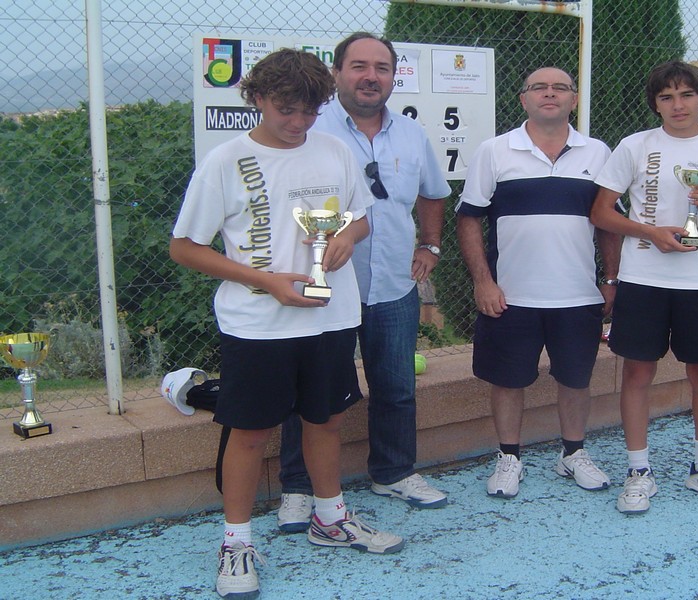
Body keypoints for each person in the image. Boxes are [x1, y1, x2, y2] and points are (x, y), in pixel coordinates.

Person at [170, 49, 404, 599]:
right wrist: (266, 280)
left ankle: (331, 518)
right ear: (257, 98)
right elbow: (184, 247)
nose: (299, 123)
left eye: (310, 111)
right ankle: (235, 542)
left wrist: (346, 236)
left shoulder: (335, 150)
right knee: (251, 433)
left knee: (326, 421)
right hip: (258, 324)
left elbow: (361, 218)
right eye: (286, 110)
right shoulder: (225, 161)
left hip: (331, 317)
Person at [276, 32, 451, 532]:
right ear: (337, 73)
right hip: (324, 291)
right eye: (358, 66)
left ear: (393, 77)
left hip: (393, 283)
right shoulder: (309, 129)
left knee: (396, 387)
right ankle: (298, 487)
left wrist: (430, 245)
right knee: (308, 393)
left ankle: (394, 472)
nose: (370, 77)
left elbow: (433, 192)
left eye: (381, 67)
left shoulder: (412, 134)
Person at [589, 60, 698, 515]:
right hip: (643, 279)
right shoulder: (635, 145)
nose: (677, 104)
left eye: (686, 95)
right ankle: (638, 472)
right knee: (637, 374)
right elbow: (601, 213)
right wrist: (651, 232)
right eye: (666, 97)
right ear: (656, 104)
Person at [456, 67, 618, 499]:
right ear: (523, 99)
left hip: (578, 295)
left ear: (574, 100)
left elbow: (607, 223)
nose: (550, 94)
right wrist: (483, 282)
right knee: (507, 381)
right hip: (510, 297)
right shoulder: (494, 151)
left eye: (560, 88)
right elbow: (469, 218)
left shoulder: (598, 152)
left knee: (576, 379)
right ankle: (509, 457)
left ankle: (573, 454)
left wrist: (611, 278)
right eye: (539, 88)